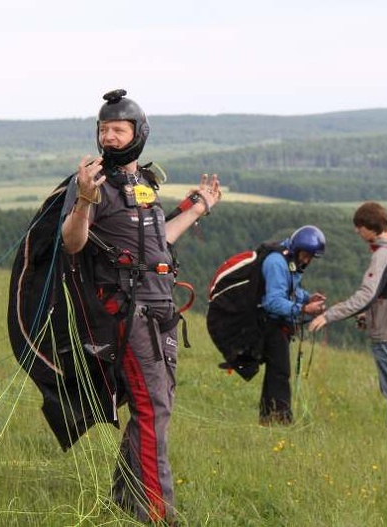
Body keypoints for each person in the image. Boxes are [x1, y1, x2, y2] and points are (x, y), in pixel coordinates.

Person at [61, 89, 222, 523]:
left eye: (118, 129)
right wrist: (82, 200)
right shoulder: (93, 187)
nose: (109, 137)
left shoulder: (145, 186)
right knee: (153, 409)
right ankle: (158, 514)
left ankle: (123, 500)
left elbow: (158, 241)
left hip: (161, 309)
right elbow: (73, 243)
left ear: (139, 133)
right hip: (126, 313)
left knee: (152, 406)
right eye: (104, 129)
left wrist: (199, 207)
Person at [308, 201, 387, 446]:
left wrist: (328, 315)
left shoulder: (382, 255)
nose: (357, 231)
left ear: (371, 227)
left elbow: (365, 296)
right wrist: (366, 317)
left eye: (359, 227)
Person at [258, 225, 327, 425]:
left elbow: (289, 289)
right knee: (281, 371)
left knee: (275, 371)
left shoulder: (290, 261)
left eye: (310, 257)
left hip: (276, 322)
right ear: (297, 249)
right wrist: (304, 310)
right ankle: (281, 419)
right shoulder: (276, 262)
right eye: (305, 255)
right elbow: (273, 301)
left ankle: (267, 418)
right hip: (267, 322)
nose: (307, 260)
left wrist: (307, 298)